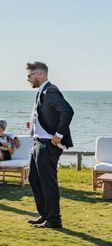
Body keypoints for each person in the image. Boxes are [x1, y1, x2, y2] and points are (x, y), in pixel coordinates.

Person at [25, 62, 74, 229]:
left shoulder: (50, 90)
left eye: (29, 76)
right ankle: (45, 215)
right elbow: (46, 114)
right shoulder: (41, 92)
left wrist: (59, 135)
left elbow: (67, 111)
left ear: (39, 74)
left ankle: (54, 219)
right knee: (33, 178)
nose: (28, 79)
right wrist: (33, 125)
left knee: (47, 182)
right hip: (38, 142)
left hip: (47, 145)